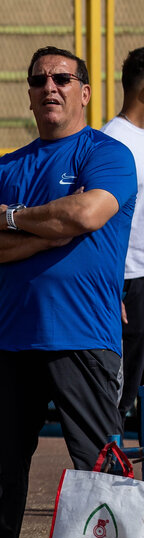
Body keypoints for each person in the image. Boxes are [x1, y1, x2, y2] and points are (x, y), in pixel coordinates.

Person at [0, 46, 136, 538]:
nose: (49, 87)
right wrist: (42, 232)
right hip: (10, 341)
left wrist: (10, 220)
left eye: (62, 78)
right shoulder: (5, 166)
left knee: (99, 468)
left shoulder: (106, 154)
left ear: (84, 91)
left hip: (82, 339)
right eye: (39, 81)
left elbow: (84, 215)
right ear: (30, 95)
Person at [101, 46, 144, 425]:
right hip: (129, 284)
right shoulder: (114, 145)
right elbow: (95, 224)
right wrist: (112, 289)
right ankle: (107, 481)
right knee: (117, 404)